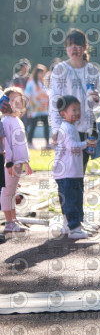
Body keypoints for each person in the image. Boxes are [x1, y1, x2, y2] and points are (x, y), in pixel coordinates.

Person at [48, 29, 100, 172]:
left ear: (85, 47)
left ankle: (78, 188)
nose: (74, 49)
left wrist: (97, 99)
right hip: (67, 128)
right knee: (67, 170)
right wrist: (55, 129)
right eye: (70, 45)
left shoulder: (92, 70)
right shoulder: (60, 70)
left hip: (86, 127)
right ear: (66, 48)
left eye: (78, 45)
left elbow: (95, 104)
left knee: (80, 170)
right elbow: (54, 102)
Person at [52, 95, 98, 239]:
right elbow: (72, 147)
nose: (77, 112)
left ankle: (68, 226)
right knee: (72, 201)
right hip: (67, 173)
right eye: (74, 109)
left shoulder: (70, 127)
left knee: (72, 200)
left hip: (71, 172)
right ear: (63, 113)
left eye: (78, 109)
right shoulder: (66, 128)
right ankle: (75, 229)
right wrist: (86, 144)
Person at [1, 87, 33, 234]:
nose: (17, 103)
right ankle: (9, 222)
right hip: (10, 163)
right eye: (13, 100)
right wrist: (9, 162)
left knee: (13, 192)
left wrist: (26, 162)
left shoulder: (18, 121)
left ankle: (14, 219)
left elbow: (22, 144)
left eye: (19, 100)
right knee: (7, 192)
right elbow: (5, 144)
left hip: (18, 163)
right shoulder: (5, 121)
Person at [24, 64, 50, 149]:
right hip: (34, 108)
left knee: (46, 125)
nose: (42, 75)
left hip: (43, 108)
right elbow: (26, 94)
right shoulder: (31, 82)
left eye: (43, 73)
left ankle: (47, 143)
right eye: (40, 73)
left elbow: (47, 93)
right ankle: (29, 142)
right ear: (36, 73)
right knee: (33, 125)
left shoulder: (43, 83)